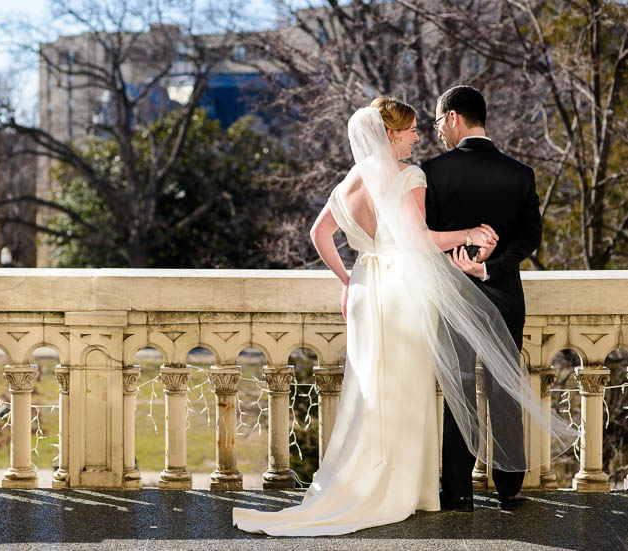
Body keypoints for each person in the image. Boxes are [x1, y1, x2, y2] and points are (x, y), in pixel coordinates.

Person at [231, 96, 577, 537]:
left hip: (365, 286)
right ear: (392, 134)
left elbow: (320, 233)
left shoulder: (365, 178)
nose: (421, 135)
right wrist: (475, 238)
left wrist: (344, 280)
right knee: (415, 388)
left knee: (371, 389)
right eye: (413, 129)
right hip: (413, 290)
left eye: (427, 126)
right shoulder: (432, 174)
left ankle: (437, 486)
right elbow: (435, 239)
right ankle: (441, 488)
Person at [423, 85, 538, 511]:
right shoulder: (519, 174)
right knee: (505, 387)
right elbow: (530, 237)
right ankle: (509, 486)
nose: (437, 132)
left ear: (453, 117)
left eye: (437, 123)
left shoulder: (433, 172)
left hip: (453, 296)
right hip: (505, 296)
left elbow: (425, 238)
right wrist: (490, 267)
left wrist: (464, 264)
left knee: (460, 387)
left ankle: (458, 490)